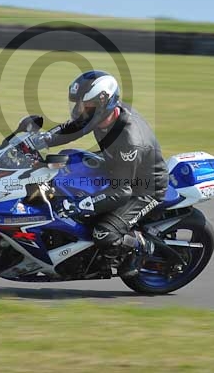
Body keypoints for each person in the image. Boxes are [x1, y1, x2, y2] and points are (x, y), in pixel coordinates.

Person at [32, 70, 168, 277]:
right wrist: (42, 140)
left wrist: (82, 205)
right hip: (115, 166)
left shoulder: (129, 141)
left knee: (103, 233)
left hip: (144, 189)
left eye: (85, 106)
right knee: (65, 162)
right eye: (77, 104)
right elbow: (73, 128)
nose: (79, 111)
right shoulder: (102, 115)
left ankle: (138, 248)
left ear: (104, 104)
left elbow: (122, 191)